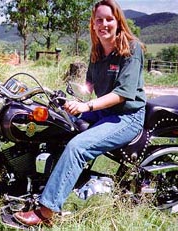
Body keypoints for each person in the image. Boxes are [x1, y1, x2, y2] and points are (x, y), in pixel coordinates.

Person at [14, 0, 146, 226]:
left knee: (78, 147)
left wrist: (87, 106)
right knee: (56, 122)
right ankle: (33, 182)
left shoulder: (130, 49)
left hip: (126, 116)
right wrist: (66, 100)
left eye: (109, 19)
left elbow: (123, 94)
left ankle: (45, 212)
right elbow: (87, 88)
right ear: (93, 25)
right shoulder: (97, 51)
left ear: (118, 21)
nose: (104, 24)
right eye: (99, 20)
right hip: (104, 112)